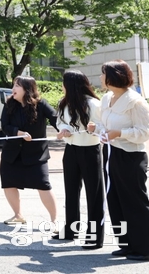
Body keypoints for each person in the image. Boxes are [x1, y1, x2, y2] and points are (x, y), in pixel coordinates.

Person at [98, 60, 149, 261]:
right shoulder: (107, 98)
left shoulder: (136, 101)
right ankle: (127, 244)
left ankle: (147, 249)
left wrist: (119, 133)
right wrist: (99, 131)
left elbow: (144, 132)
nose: (100, 77)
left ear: (113, 77)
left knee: (135, 202)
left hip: (131, 156)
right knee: (115, 200)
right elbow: (105, 125)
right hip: (110, 153)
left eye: (103, 73)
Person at [0, 76, 58, 225]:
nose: (13, 89)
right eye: (13, 85)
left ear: (27, 89)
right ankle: (18, 215)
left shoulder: (41, 104)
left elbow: (55, 118)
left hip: (36, 154)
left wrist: (64, 130)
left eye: (17, 86)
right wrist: (18, 133)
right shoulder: (9, 105)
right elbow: (4, 126)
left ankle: (55, 220)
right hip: (11, 154)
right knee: (8, 183)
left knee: (43, 184)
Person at [55, 70, 103, 249]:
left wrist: (95, 128)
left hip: (91, 150)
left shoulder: (94, 104)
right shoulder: (64, 103)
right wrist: (64, 129)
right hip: (71, 150)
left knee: (94, 195)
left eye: (63, 82)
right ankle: (70, 230)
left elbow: (104, 126)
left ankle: (95, 236)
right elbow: (59, 122)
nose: (61, 86)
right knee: (71, 191)